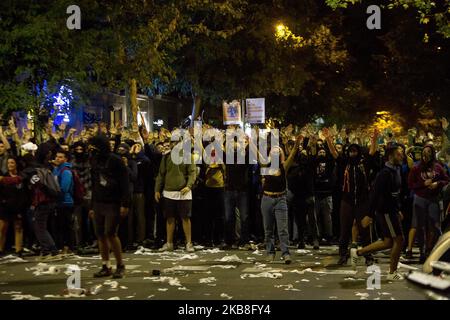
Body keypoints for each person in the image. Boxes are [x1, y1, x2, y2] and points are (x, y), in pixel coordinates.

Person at [352, 145, 406, 280]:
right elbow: (375, 195)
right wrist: (368, 215)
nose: (402, 157)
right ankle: (392, 273)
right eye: (399, 154)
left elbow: (395, 194)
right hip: (386, 211)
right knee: (399, 240)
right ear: (390, 156)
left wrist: (398, 209)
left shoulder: (397, 170)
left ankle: (358, 252)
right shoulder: (384, 173)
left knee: (387, 242)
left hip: (392, 210)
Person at [251, 134, 303, 264]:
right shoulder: (265, 165)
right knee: (268, 229)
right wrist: (250, 142)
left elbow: (292, 155)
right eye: (273, 150)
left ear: (281, 154)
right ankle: (270, 252)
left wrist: (296, 144)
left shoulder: (283, 166)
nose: (276, 150)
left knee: (282, 229)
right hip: (267, 199)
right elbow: (257, 154)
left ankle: (285, 253)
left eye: (278, 150)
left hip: (280, 199)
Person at [88, 134, 130, 279]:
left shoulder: (116, 160)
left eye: (93, 147)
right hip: (99, 201)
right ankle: (106, 265)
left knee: (111, 233)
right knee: (100, 234)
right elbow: (94, 184)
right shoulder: (94, 161)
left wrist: (125, 203)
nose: (91, 149)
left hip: (113, 201)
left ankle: (120, 265)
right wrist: (92, 205)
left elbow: (125, 183)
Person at [408, 145, 449, 262]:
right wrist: (423, 184)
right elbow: (411, 184)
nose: (426, 154)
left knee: (435, 226)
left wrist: (437, 184)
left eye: (429, 152)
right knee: (419, 226)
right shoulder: (416, 168)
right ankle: (422, 251)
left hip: (433, 199)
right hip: (420, 198)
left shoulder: (438, 167)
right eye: (424, 152)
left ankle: (431, 250)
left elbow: (446, 180)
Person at [155, 139, 197, 252]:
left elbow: (193, 172)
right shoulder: (166, 156)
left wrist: (188, 186)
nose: (174, 144)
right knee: (170, 218)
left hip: (184, 192)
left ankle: (189, 243)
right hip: (169, 191)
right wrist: (157, 189)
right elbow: (161, 174)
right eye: (173, 142)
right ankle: (169, 243)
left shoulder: (188, 155)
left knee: (185, 218)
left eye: (176, 142)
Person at [0, 157, 28, 256]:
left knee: (18, 227)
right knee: (2, 228)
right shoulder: (3, 176)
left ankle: (18, 250)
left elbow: (25, 193)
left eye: (12, 162)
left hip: (18, 207)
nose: (10, 165)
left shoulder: (22, 177)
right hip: (5, 206)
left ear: (16, 164)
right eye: (8, 163)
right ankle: (1, 250)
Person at [52, 149, 75, 255]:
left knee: (66, 226)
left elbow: (64, 188)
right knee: (59, 226)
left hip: (66, 202)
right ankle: (62, 247)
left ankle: (69, 247)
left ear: (65, 159)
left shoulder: (66, 171)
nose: (57, 158)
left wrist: (54, 194)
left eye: (60, 157)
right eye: (57, 156)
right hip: (58, 202)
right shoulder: (56, 169)